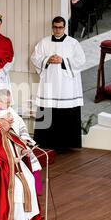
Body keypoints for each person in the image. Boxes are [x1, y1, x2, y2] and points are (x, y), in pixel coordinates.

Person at [30, 16, 86, 152]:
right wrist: (47, 59)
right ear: (52, 27)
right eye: (55, 27)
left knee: (65, 112)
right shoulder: (44, 43)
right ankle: (46, 142)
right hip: (50, 84)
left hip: (67, 87)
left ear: (64, 27)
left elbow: (81, 60)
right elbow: (34, 58)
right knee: (48, 110)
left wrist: (63, 61)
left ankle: (66, 145)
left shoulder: (73, 43)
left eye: (60, 27)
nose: (57, 30)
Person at [0, 89, 43, 195]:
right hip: (2, 146)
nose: (9, 104)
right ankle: (23, 191)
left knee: (30, 154)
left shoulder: (9, 109)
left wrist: (24, 139)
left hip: (15, 141)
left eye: (10, 102)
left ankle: (36, 190)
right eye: (7, 102)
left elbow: (20, 124)